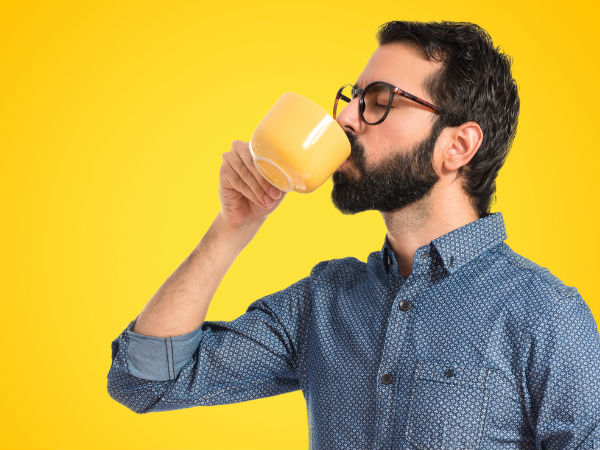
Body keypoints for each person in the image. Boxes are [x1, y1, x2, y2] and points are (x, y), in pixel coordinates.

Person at [107, 20, 600, 450]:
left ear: (458, 145)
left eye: (380, 101)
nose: (344, 118)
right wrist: (232, 227)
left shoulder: (546, 316)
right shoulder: (323, 302)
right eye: (354, 98)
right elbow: (145, 383)